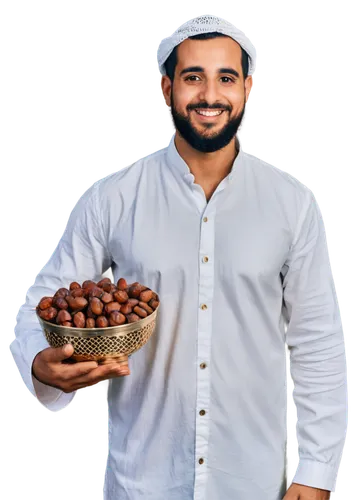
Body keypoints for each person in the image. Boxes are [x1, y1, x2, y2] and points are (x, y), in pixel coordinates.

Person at [8, 12, 348, 500]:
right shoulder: (113, 198)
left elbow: (317, 345)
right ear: (165, 90)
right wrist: (40, 363)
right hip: (144, 481)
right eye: (193, 77)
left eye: (226, 78)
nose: (210, 95)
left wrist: (318, 470)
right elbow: (41, 302)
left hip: (254, 482)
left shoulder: (290, 203)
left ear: (248, 88)